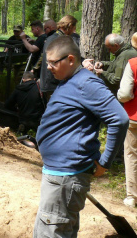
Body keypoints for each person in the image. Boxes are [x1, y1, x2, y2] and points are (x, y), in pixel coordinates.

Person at [33, 35, 128, 237]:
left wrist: (105, 162)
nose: (48, 67)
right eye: (47, 62)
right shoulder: (69, 79)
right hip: (59, 174)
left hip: (65, 177)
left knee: (52, 232)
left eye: (53, 62)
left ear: (70, 59)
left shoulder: (86, 84)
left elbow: (119, 119)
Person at [116, 31, 137, 208]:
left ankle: (132, 197)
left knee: (132, 155)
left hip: (134, 117)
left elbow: (123, 94)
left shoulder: (133, 64)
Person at [39, 15, 78, 99]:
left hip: (47, 82)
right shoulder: (61, 40)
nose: (74, 30)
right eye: (74, 27)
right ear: (70, 26)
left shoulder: (51, 37)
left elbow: (41, 57)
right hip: (53, 83)